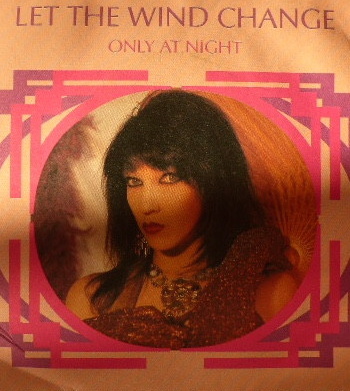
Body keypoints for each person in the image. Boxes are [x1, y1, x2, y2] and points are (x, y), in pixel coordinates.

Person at [66, 90, 298, 349]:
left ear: (215, 181)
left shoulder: (272, 295)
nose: (147, 205)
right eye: (134, 182)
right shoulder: (90, 299)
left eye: (169, 178)